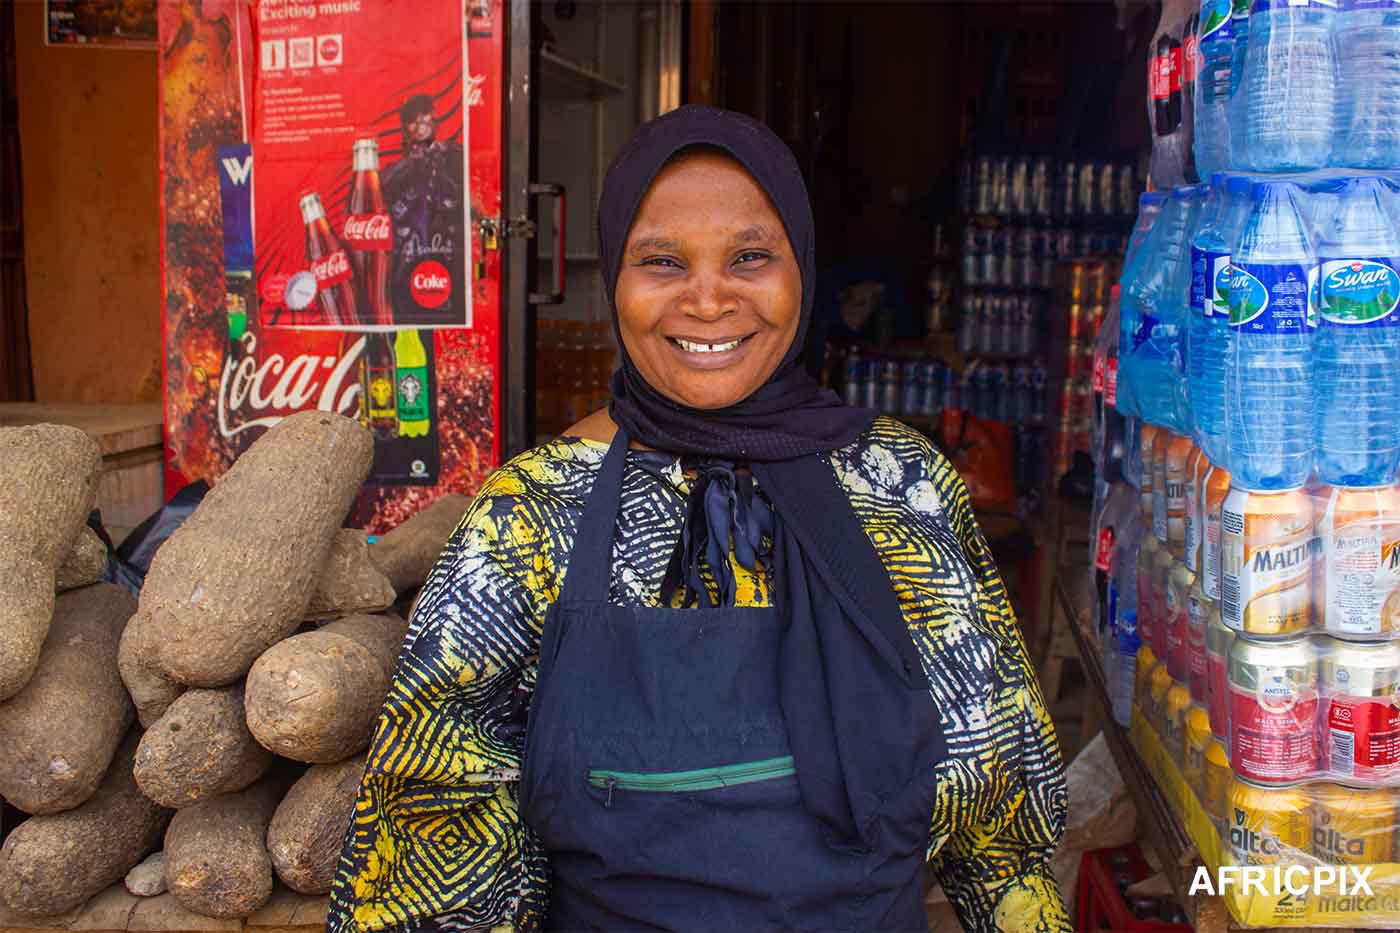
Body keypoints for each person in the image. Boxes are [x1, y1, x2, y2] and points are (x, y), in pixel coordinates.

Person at [327, 106, 1069, 932]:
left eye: (750, 256)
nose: (709, 299)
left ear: (803, 269)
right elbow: (433, 842)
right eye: (662, 261)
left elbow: (1003, 822)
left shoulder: (901, 486)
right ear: (615, 277)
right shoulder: (530, 517)